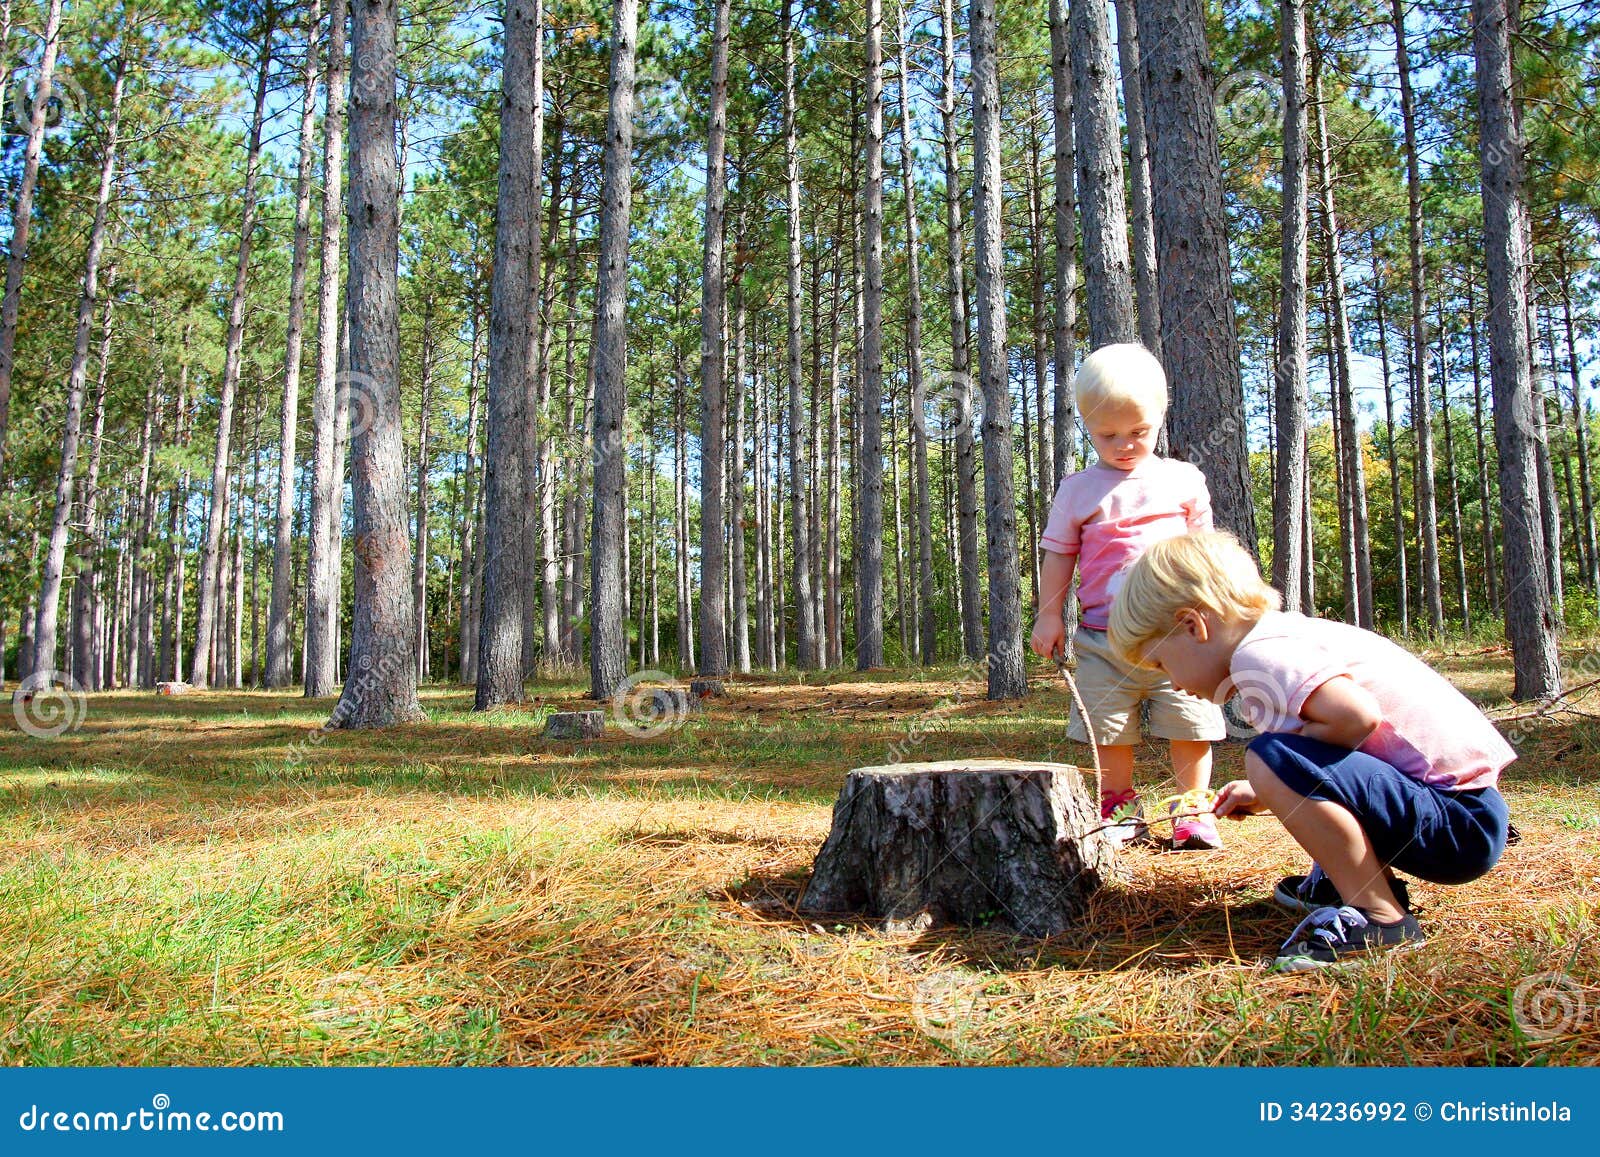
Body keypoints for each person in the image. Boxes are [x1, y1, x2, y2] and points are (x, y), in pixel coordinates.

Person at [1107, 531, 1514, 971]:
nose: (1174, 684)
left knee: (1268, 754)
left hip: (1456, 824)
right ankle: (1350, 885)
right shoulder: (1288, 635)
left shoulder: (1258, 655)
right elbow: (1349, 748)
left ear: (1193, 625)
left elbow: (1357, 717)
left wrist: (1275, 773)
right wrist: (1274, 785)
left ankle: (1382, 919)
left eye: (1164, 664)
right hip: (1466, 810)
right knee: (1277, 758)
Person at [1029, 343, 1226, 850]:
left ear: (1160, 417)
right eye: (1107, 435)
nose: (1123, 445)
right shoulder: (1078, 490)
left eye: (1138, 432)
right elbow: (1059, 557)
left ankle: (1193, 806)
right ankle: (1119, 804)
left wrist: (1216, 610)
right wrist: (1049, 617)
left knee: (1190, 721)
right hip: (1102, 637)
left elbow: (1205, 552)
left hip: (1179, 637)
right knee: (1108, 726)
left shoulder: (1182, 480)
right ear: (1085, 426)